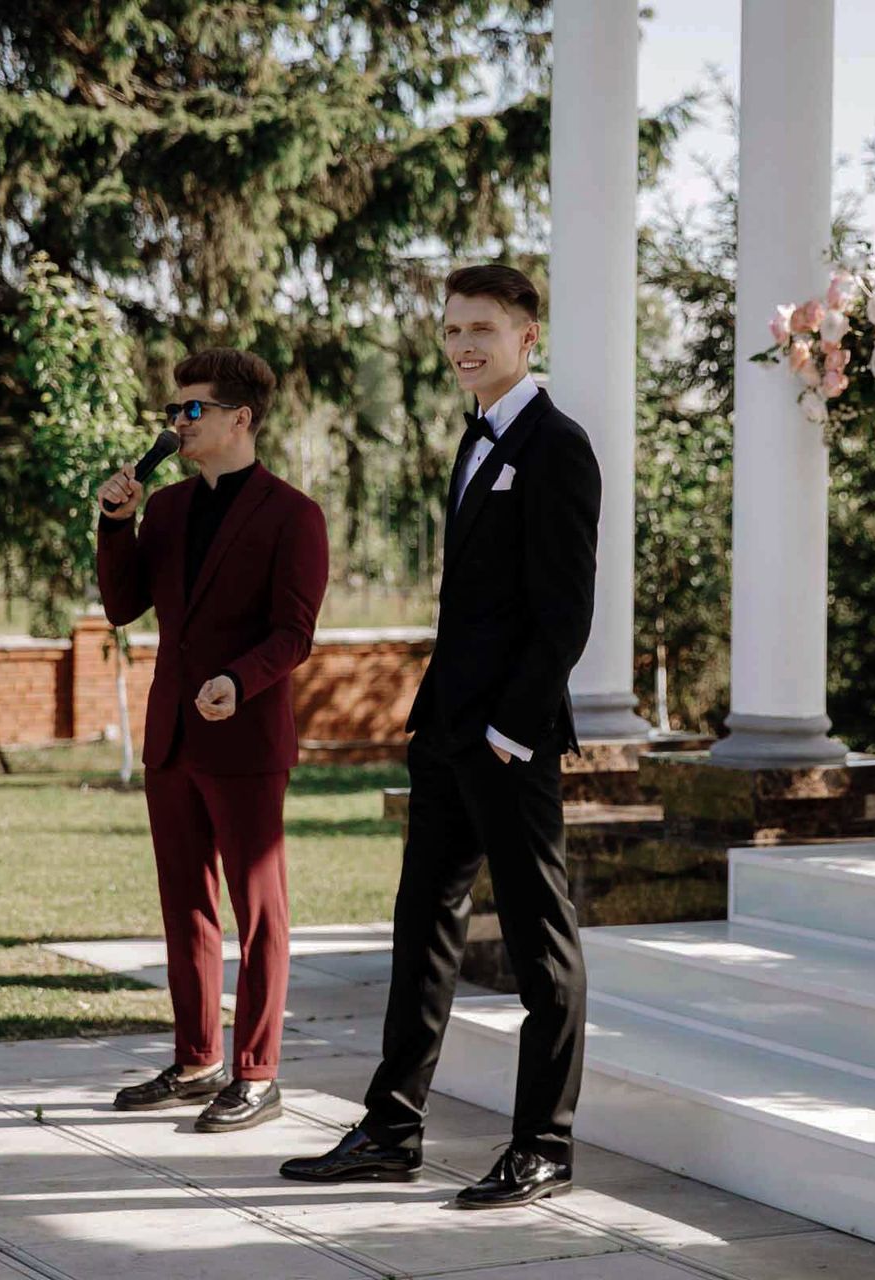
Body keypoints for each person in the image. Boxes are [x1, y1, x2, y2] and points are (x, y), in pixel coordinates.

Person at [279, 264, 601, 1208]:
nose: (463, 345)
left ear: (526, 336)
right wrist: (446, 729)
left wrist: (509, 729)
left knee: (544, 947)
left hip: (509, 739)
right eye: (454, 329)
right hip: (447, 735)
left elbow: (564, 614)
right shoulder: (474, 438)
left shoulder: (557, 446)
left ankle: (544, 1145)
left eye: (483, 330)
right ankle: (392, 1128)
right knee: (422, 930)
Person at [95, 347, 328, 1133]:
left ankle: (258, 1073)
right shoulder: (165, 510)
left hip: (248, 736)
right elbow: (124, 605)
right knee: (185, 907)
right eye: (173, 411)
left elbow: (295, 633)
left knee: (260, 912)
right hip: (172, 737)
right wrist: (114, 524)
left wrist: (241, 678)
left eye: (191, 410)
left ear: (240, 418)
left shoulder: (294, 515)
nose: (177, 424)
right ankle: (198, 1060)